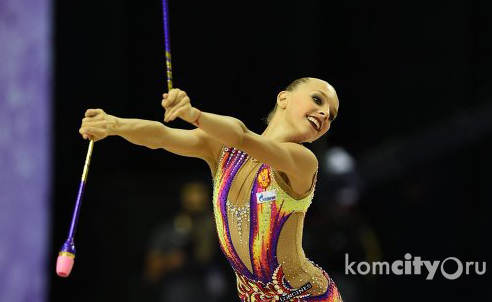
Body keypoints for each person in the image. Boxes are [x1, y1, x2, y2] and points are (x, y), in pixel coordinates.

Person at [79, 77, 343, 301]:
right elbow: (161, 137)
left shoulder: (303, 161)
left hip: (307, 296)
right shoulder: (222, 151)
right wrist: (114, 125)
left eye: (330, 115)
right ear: (283, 98)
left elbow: (241, 136)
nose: (323, 114)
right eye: (318, 100)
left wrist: (194, 115)